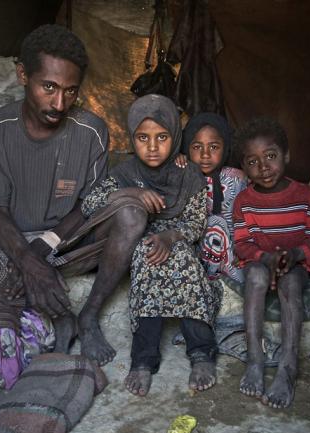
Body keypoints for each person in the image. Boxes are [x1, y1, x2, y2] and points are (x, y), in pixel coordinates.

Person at [0, 24, 146, 373]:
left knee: (132, 213)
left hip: (69, 243)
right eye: (49, 87)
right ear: (22, 75)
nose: (59, 103)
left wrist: (43, 249)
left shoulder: (91, 131)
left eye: (71, 91)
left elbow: (89, 205)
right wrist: (27, 261)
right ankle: (57, 316)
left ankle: (87, 316)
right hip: (12, 247)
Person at [81, 94, 221, 396]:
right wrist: (131, 193)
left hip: (178, 239)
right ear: (132, 137)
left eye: (162, 137)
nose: (153, 146)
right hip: (141, 240)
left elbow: (196, 223)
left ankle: (201, 352)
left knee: (182, 259)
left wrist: (170, 237)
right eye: (143, 138)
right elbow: (90, 204)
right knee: (148, 258)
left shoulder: (188, 173)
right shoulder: (125, 173)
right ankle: (144, 359)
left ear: (175, 137)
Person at [232, 117, 310, 408]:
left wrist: (295, 255)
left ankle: (288, 367)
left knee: (291, 282)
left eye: (270, 156)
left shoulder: (306, 195)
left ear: (286, 155)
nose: (263, 167)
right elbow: (242, 244)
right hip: (260, 261)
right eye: (253, 161)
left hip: (295, 262)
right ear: (244, 167)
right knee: (256, 278)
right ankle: (255, 359)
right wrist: (265, 258)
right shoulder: (244, 201)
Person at [181, 112, 248, 283]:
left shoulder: (237, 178)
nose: (205, 154)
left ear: (225, 148)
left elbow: (246, 219)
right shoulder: (183, 176)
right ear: (187, 148)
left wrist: (243, 250)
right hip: (195, 246)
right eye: (197, 147)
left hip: (233, 247)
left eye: (213, 147)